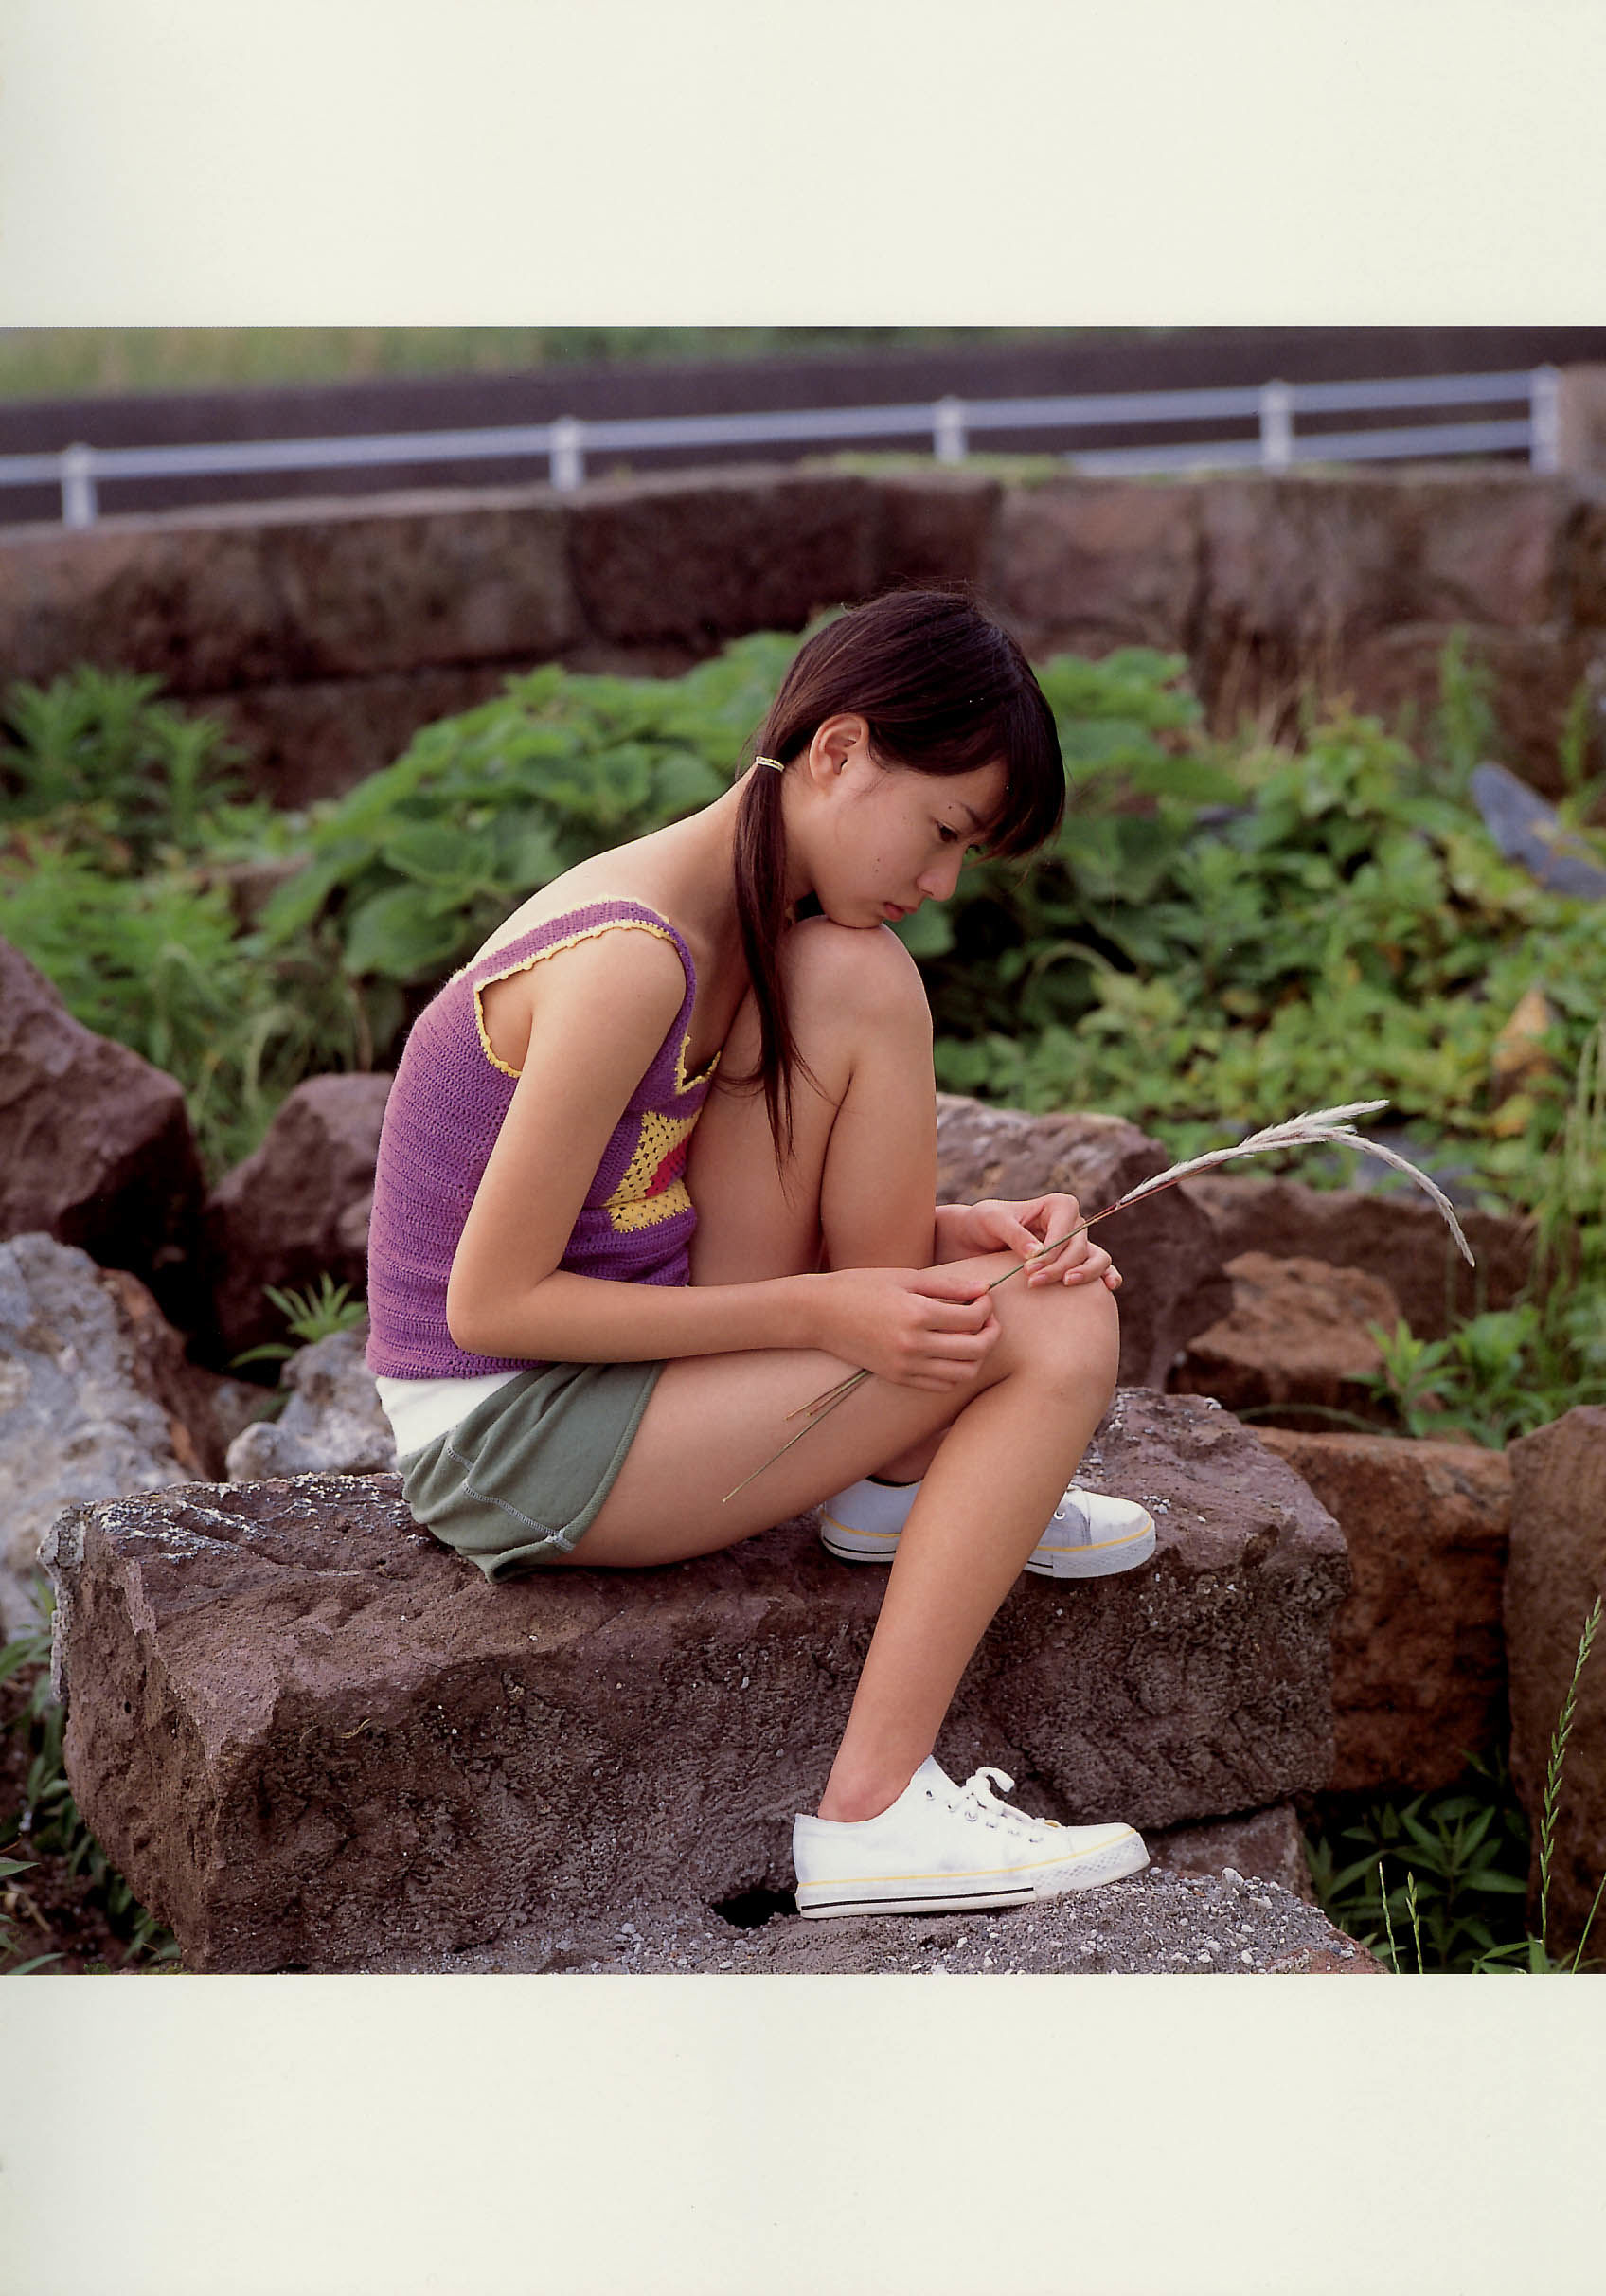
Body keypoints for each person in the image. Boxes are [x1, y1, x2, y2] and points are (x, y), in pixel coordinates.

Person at [366, 586, 1155, 1918]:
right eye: (945, 830)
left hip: (628, 1357)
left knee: (864, 980)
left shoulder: (754, 928)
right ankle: (872, 1818)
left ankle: (895, 1477)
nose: (943, 881)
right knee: (1061, 1333)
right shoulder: (632, 958)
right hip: (501, 1429)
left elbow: (652, 1206)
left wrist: (963, 1238)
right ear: (839, 752)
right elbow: (491, 1301)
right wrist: (825, 1315)